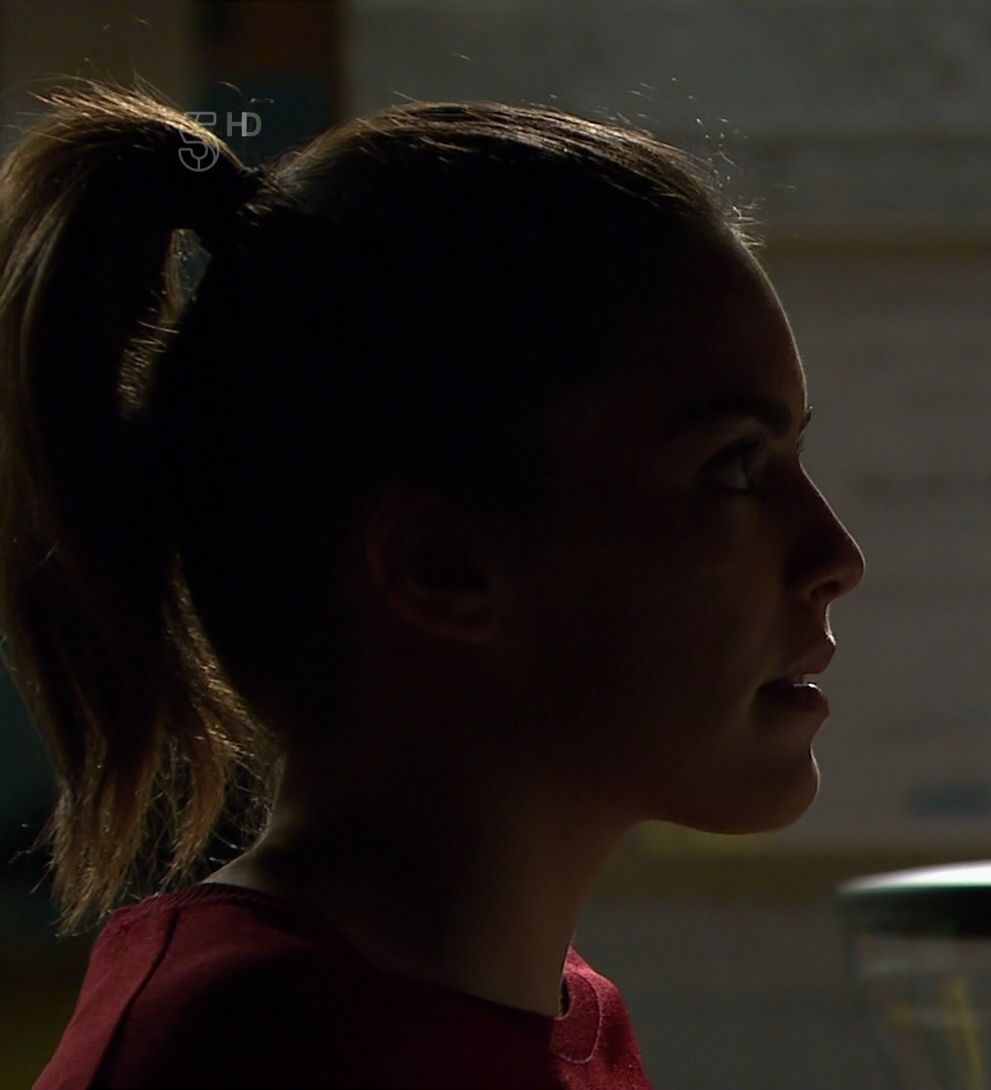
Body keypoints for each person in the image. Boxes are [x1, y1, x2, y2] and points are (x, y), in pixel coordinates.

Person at [4, 84, 864, 1089]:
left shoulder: (559, 1018)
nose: (835, 556)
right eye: (733, 467)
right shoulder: (237, 1053)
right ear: (442, 566)